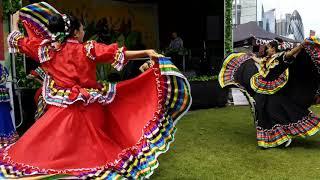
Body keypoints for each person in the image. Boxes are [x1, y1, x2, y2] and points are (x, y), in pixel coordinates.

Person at [0, 2, 191, 179]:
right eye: (82, 28)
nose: (84, 31)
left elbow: (18, 41)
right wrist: (147, 52)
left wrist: (16, 23)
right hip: (89, 108)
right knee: (100, 143)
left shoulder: (47, 50)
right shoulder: (87, 49)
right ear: (75, 32)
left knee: (49, 146)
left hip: (61, 109)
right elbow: (117, 53)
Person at [219, 39, 320, 148]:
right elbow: (261, 62)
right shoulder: (268, 59)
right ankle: (275, 136)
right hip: (264, 87)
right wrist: (252, 57)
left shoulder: (280, 56)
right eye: (267, 48)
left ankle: (282, 135)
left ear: (274, 48)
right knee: (262, 110)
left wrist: (301, 46)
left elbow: (290, 54)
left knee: (278, 110)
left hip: (275, 89)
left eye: (269, 48)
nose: (267, 50)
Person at [0, 64, 18, 147]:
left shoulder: (2, 68)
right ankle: (7, 140)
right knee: (4, 117)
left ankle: (5, 140)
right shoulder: (3, 68)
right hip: (3, 97)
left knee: (3, 117)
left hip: (2, 99)